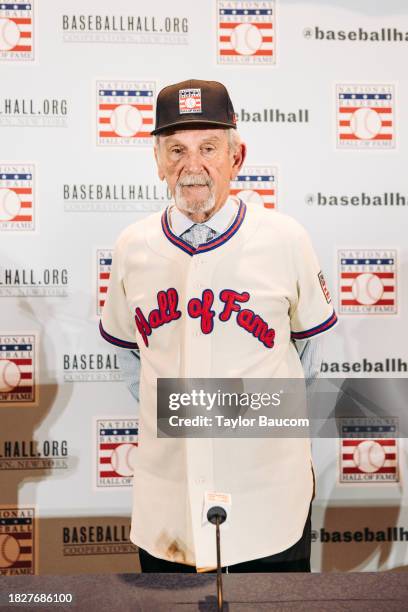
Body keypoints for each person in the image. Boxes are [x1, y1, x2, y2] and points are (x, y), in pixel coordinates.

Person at [99, 79, 338, 573]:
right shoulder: (132, 246)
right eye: (176, 149)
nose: (193, 165)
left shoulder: (284, 238)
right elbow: (129, 360)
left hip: (270, 496)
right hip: (168, 503)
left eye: (209, 147)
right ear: (157, 160)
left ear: (237, 156)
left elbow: (313, 360)